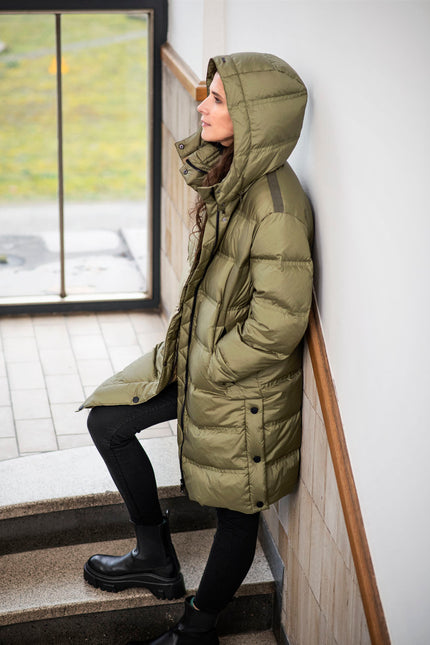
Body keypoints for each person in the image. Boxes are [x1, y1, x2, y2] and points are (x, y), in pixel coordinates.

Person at [80, 51, 313, 645]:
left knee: (237, 511)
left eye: (218, 99)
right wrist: (194, 353)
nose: (201, 106)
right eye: (207, 94)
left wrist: (215, 364)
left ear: (255, 117)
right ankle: (153, 554)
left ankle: (197, 628)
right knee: (108, 421)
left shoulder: (276, 208)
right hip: (199, 356)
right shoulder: (233, 177)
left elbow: (280, 322)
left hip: (241, 384)